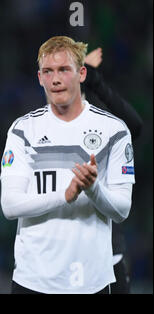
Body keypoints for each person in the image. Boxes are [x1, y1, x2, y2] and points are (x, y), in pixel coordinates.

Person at [0, 36, 135, 294]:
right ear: (40, 78)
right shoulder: (22, 130)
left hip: (92, 281)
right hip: (33, 280)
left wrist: (94, 189)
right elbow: (10, 205)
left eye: (64, 69)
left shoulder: (114, 130)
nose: (55, 79)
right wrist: (65, 195)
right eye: (48, 71)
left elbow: (122, 210)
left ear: (82, 73)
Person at [83, 47, 143, 294]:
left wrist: (95, 82)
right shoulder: (37, 126)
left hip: (108, 253)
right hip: (61, 255)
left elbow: (134, 126)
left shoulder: (101, 124)